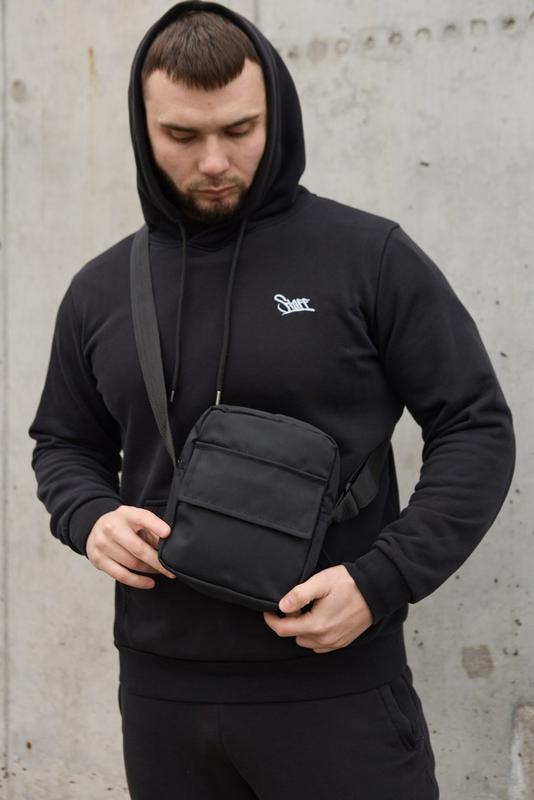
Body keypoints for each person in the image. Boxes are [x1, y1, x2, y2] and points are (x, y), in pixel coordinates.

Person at [27, 2, 515, 798]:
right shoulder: (101, 289)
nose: (214, 160)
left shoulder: (369, 257)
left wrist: (382, 579)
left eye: (240, 129)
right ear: (144, 128)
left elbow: (475, 427)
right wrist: (89, 515)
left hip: (336, 684)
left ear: (275, 113)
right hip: (161, 697)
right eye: (182, 135)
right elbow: (64, 442)